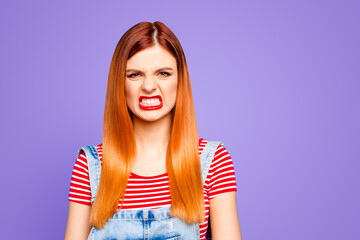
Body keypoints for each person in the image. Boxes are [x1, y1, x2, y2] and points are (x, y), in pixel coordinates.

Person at [64, 21, 241, 240]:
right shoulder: (90, 166)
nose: (149, 86)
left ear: (180, 80)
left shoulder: (212, 161)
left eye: (163, 73)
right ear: (120, 83)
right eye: (134, 75)